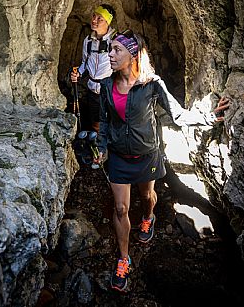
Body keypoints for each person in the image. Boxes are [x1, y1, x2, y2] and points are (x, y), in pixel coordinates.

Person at [96, 29, 229, 292]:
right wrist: (102, 147)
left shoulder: (151, 83)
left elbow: (177, 116)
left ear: (133, 55)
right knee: (121, 209)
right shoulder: (106, 86)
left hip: (146, 155)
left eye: (116, 50)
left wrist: (208, 118)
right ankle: (123, 259)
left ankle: (149, 217)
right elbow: (104, 121)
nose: (110, 54)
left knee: (147, 197)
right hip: (119, 158)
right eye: (110, 49)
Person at [71, 3, 116, 133]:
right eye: (94, 16)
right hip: (92, 90)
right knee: (96, 122)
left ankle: (109, 149)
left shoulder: (115, 40)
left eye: (99, 18)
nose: (94, 20)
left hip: (109, 91)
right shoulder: (88, 41)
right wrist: (78, 73)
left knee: (112, 122)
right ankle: (97, 147)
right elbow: (85, 61)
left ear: (107, 22)